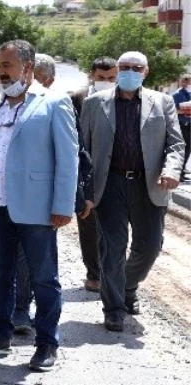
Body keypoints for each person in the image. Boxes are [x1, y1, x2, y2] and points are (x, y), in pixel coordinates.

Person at [0, 42, 77, 371]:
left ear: (28, 67)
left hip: (37, 208)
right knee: (1, 274)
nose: (1, 71)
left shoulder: (53, 103)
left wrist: (63, 204)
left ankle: (46, 343)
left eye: (8, 65)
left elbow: (68, 157)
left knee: (44, 278)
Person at [80, 51, 186, 331]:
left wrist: (172, 170)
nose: (129, 71)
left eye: (135, 68)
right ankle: (114, 308)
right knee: (112, 248)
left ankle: (127, 285)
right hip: (109, 184)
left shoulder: (162, 102)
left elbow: (175, 144)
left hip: (148, 184)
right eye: (124, 67)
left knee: (150, 246)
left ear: (145, 72)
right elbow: (83, 150)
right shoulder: (94, 104)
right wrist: (83, 190)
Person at [10, 53, 57, 335]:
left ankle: (46, 331)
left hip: (42, 200)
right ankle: (18, 310)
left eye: (34, 76)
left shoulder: (56, 105)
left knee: (40, 265)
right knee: (16, 259)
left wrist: (71, 200)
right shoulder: (1, 105)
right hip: (7, 199)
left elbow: (75, 156)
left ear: (49, 80)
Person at [71, 57, 118, 292]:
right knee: (88, 224)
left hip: (114, 172)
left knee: (114, 226)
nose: (107, 82)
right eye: (101, 78)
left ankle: (114, 273)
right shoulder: (77, 99)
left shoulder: (124, 97)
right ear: (92, 76)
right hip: (85, 172)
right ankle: (94, 272)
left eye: (112, 78)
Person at [174, 74, 191, 182]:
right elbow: (173, 110)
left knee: (188, 148)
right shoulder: (177, 95)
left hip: (190, 124)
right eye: (189, 81)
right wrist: (187, 110)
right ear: (184, 82)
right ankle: (177, 172)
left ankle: (182, 170)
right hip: (182, 124)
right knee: (182, 148)